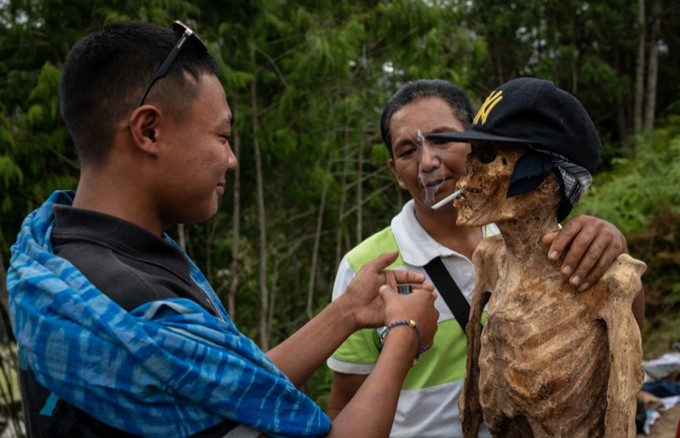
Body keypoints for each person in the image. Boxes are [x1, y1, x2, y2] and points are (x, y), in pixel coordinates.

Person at [6, 21, 440, 437]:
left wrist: (347, 312)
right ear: (149, 130)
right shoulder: (139, 305)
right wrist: (405, 336)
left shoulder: (62, 252)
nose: (231, 159)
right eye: (222, 136)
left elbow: (223, 390)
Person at [326, 79, 645, 437]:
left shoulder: (546, 244)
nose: (428, 162)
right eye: (407, 151)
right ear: (394, 171)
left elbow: (622, 349)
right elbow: (343, 404)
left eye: (443, 140)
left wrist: (613, 244)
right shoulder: (365, 268)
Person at [428, 77, 645, 437]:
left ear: (547, 182)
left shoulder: (606, 275)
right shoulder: (490, 258)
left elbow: (623, 405)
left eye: (489, 160)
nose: (464, 183)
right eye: (471, 162)